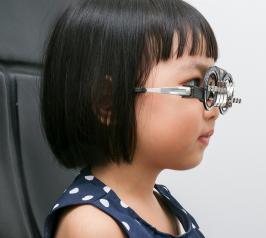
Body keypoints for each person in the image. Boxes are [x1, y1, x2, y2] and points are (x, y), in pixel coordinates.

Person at [40, 0, 240, 237]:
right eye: (193, 84)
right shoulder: (92, 226)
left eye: (211, 84)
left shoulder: (163, 203)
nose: (213, 111)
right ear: (108, 102)